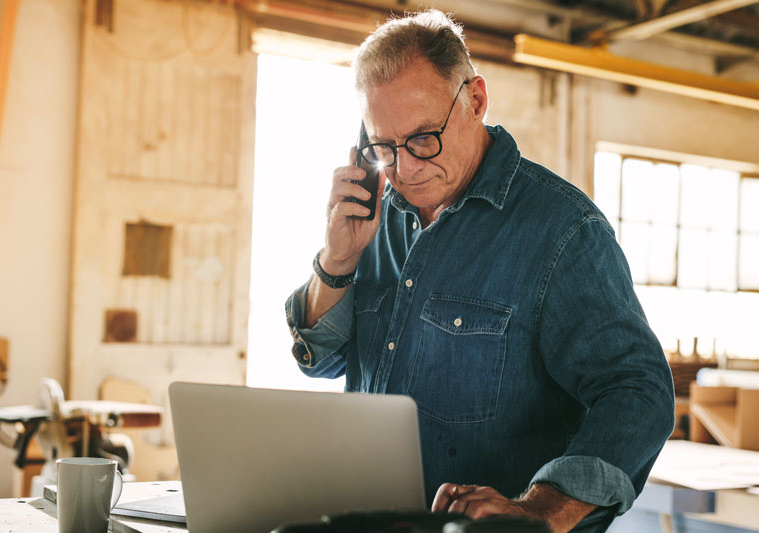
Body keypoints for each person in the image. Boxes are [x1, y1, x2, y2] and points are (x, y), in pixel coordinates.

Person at [285, 9, 674, 532]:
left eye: (424, 138)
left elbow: (638, 391)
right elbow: (321, 361)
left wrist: (540, 511)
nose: (406, 168)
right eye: (384, 146)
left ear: (475, 100)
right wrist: (337, 262)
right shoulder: (376, 213)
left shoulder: (562, 230)